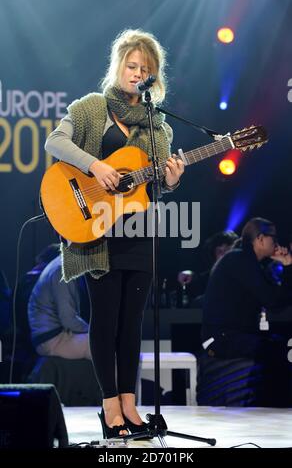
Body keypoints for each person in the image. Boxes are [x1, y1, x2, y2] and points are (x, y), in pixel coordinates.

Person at [45, 29, 184, 438]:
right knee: (104, 321)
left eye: (145, 69)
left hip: (139, 233)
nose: (137, 73)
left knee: (132, 324)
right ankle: (109, 409)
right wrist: (95, 165)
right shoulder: (91, 108)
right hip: (97, 231)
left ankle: (130, 403)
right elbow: (56, 141)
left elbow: (154, 184)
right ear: (119, 66)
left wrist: (173, 181)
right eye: (132, 65)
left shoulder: (160, 129)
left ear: (153, 78)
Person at [201, 217, 292, 404]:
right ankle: (276, 411)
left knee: (280, 346)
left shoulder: (249, 263)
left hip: (233, 335)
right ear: (260, 239)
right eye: (273, 238)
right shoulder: (239, 260)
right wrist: (288, 265)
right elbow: (274, 301)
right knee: (280, 350)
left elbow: (277, 299)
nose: (276, 243)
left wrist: (286, 265)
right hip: (221, 338)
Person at [28, 255, 90, 360]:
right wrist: (93, 331)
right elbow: (68, 319)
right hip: (53, 340)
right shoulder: (62, 270)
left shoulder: (62, 263)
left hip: (57, 335)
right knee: (103, 345)